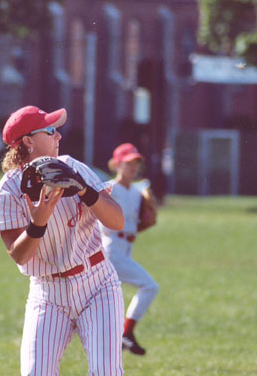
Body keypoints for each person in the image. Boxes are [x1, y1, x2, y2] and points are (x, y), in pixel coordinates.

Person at [0, 105, 126, 376]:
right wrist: (38, 223)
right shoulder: (7, 192)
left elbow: (117, 221)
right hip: (48, 293)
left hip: (97, 284)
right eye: (50, 130)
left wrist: (86, 191)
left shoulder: (72, 167)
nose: (58, 136)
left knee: (106, 372)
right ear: (28, 141)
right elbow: (19, 255)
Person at [100, 143, 159, 356]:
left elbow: (138, 224)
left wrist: (146, 220)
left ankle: (113, 339)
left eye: (136, 163)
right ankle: (126, 333)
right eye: (128, 163)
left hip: (127, 246)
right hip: (110, 247)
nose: (133, 167)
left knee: (106, 299)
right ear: (116, 164)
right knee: (149, 286)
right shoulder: (107, 188)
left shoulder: (136, 192)